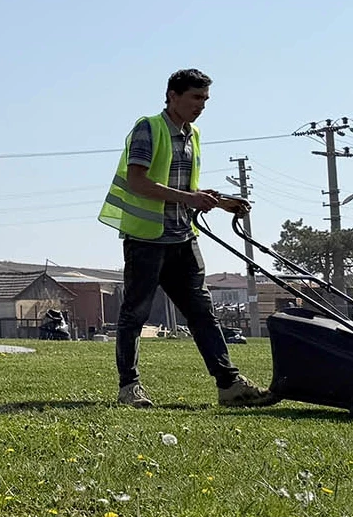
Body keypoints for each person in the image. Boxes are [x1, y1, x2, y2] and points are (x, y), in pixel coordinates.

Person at [98, 68, 274, 408]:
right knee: (135, 315)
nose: (201, 105)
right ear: (172, 96)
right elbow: (138, 182)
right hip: (147, 239)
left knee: (203, 313)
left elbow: (183, 188)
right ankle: (129, 387)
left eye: (205, 99)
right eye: (195, 97)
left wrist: (219, 202)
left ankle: (229, 385)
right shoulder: (148, 128)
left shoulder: (193, 135)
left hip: (183, 238)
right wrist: (190, 199)